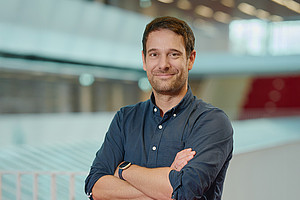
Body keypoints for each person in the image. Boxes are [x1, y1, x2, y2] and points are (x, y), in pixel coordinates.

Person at [85, 16, 233, 200]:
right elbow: (95, 187)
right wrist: (166, 185)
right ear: (144, 60)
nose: (163, 65)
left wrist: (123, 169)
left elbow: (185, 192)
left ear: (190, 59)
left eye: (173, 54)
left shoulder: (211, 122)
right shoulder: (125, 118)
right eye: (154, 54)